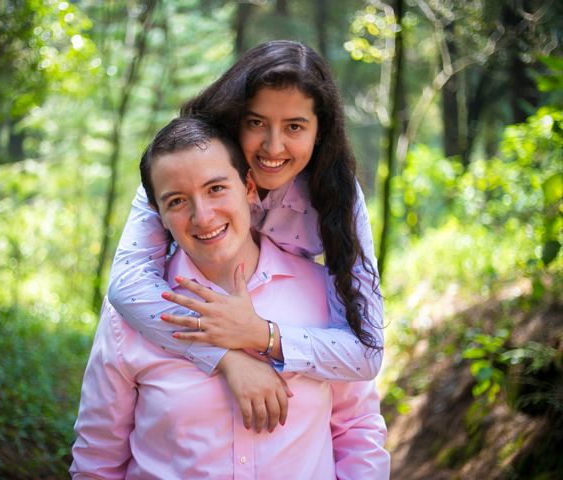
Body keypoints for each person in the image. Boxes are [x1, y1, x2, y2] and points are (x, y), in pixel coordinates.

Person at [70, 117, 389, 479]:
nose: (203, 216)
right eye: (177, 201)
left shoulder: (322, 294)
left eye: (216, 188)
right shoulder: (129, 313)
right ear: (158, 216)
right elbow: (97, 460)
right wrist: (227, 359)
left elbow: (358, 429)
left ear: (249, 187)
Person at [107, 40, 384, 432]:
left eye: (294, 127)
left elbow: (366, 353)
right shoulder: (190, 167)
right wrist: (226, 354)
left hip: (292, 305)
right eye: (256, 123)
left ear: (320, 130)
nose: (273, 147)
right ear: (236, 117)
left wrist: (261, 335)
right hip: (191, 300)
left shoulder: (336, 192)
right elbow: (126, 285)